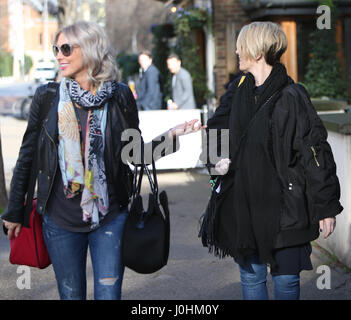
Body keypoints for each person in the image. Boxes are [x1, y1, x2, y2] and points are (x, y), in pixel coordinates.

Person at [1, 21, 202, 300]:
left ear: (91, 50)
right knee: (71, 295)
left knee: (109, 294)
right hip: (59, 220)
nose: (59, 55)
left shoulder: (119, 97)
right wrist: (13, 213)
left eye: (67, 48)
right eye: (56, 48)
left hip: (110, 218)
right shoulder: (47, 98)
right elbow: (27, 157)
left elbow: (135, 155)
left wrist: (172, 136)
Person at [202, 21, 343, 300]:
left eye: (242, 46)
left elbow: (315, 151)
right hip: (245, 201)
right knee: (251, 277)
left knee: (286, 281)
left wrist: (326, 206)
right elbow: (215, 126)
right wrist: (216, 159)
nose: (237, 52)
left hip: (285, 206)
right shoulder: (238, 88)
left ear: (258, 52)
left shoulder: (292, 96)